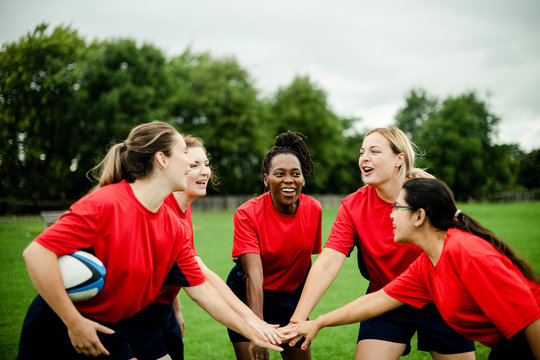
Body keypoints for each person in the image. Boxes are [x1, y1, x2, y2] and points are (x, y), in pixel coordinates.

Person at [17, 122, 283, 359]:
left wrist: (252, 329)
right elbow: (37, 254)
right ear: (162, 159)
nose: (192, 165)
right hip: (56, 328)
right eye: (185, 156)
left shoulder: (172, 227)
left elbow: (203, 290)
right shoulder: (108, 202)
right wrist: (73, 322)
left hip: (110, 329)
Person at [287, 177, 540, 360]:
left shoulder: (469, 254)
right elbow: (378, 299)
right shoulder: (426, 265)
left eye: (397, 208)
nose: (390, 215)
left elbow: (533, 320)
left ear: (419, 216)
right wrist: (318, 322)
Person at [288, 127, 475, 359]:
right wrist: (298, 320)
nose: (364, 158)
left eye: (374, 151)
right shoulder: (353, 206)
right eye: (362, 152)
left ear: (399, 159)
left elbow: (458, 246)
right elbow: (327, 263)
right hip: (383, 299)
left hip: (440, 298)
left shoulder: (428, 194)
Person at [127, 135, 283, 360]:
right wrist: (252, 329)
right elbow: (202, 289)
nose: (205, 171)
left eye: (206, 164)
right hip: (138, 314)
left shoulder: (182, 208)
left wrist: (176, 311)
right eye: (194, 165)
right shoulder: (164, 215)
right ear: (171, 167)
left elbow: (186, 270)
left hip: (163, 311)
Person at [226, 131, 322, 360]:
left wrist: (301, 310)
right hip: (248, 298)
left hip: (290, 298)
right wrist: (258, 332)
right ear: (266, 179)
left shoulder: (314, 209)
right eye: (280, 174)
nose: (289, 180)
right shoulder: (247, 214)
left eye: (295, 174)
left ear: (303, 179)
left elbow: (305, 262)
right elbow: (254, 276)